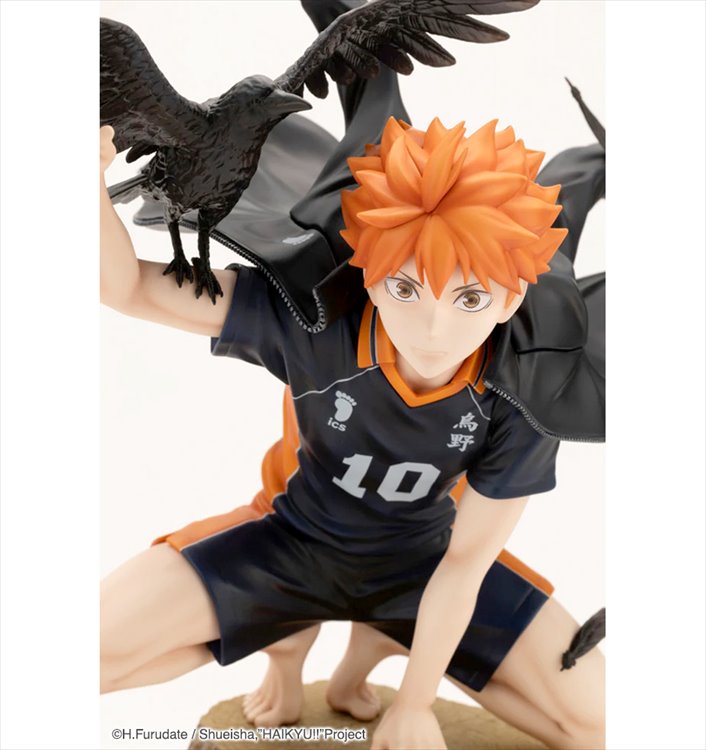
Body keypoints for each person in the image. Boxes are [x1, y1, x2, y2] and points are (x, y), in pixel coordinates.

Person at [100, 113, 604, 750]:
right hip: (290, 541)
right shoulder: (316, 318)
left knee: (599, 722)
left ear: (512, 299)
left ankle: (374, 645)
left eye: (470, 299)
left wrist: (417, 704)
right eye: (406, 288)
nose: (433, 329)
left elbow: (465, 563)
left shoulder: (528, 389)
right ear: (369, 272)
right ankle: (284, 642)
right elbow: (127, 289)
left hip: (422, 566)